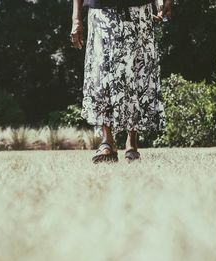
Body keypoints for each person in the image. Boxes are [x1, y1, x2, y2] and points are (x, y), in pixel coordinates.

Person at [71, 0, 172, 163]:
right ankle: (107, 142)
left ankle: (131, 142)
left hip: (138, 10)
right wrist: (76, 19)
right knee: (102, 74)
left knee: (137, 71)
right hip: (101, 11)